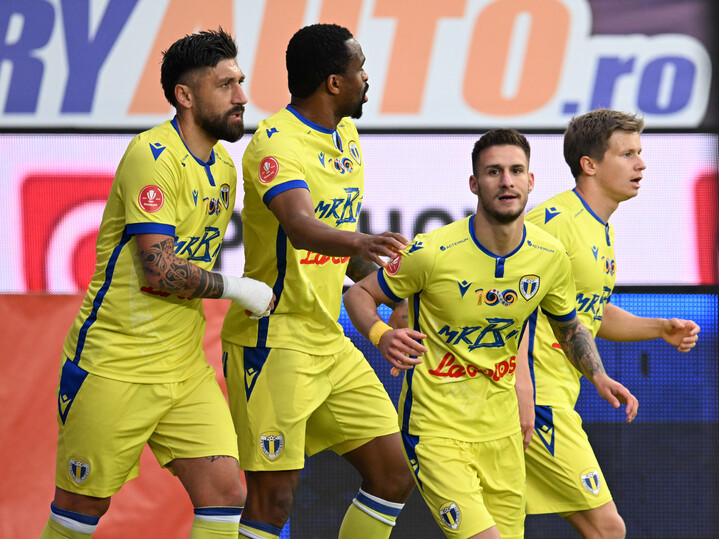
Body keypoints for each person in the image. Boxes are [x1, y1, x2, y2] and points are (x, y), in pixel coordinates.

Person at [342, 128, 639, 539]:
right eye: (494, 172)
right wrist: (380, 334)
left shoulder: (549, 257)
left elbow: (570, 325)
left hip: (503, 434)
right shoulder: (432, 251)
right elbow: (359, 293)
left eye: (516, 171)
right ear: (474, 183)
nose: (506, 181)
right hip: (437, 431)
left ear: (530, 181)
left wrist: (599, 375)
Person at [39, 29, 274, 539]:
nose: (242, 96)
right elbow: (160, 270)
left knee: (225, 494)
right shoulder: (151, 155)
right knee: (79, 510)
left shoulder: (225, 166)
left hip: (184, 369)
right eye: (226, 85)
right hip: (114, 365)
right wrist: (238, 288)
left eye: (240, 82)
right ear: (185, 95)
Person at [220, 23, 416, 539]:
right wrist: (361, 242)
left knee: (394, 476)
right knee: (272, 502)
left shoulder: (347, 135)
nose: (366, 78)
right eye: (359, 69)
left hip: (328, 343)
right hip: (274, 344)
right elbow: (301, 225)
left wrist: (390, 292)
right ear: (334, 82)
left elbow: (341, 245)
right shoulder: (274, 143)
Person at [517, 109, 700, 538]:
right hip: (533, 400)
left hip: (555, 397)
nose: (641, 164)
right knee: (608, 529)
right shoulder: (552, 223)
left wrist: (659, 329)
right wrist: (522, 387)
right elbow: (506, 303)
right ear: (590, 164)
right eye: (627, 154)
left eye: (640, 153)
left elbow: (586, 313)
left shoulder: (602, 230)